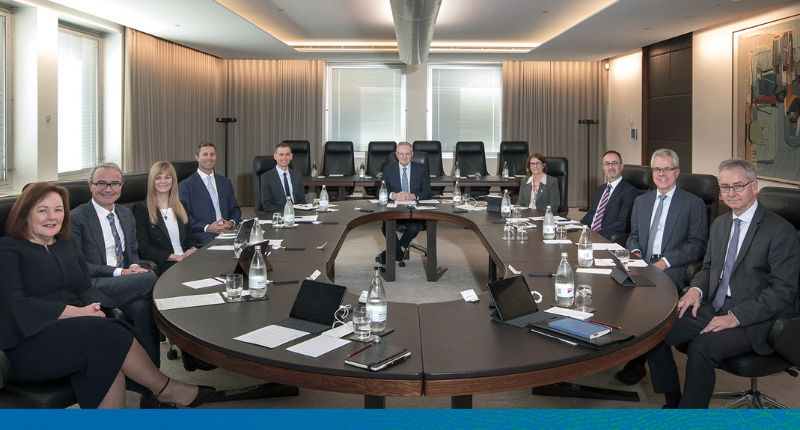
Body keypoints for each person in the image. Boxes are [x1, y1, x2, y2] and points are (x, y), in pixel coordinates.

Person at [0, 183, 215, 408]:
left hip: (77, 330)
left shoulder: (66, 245)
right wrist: (78, 313)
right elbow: (16, 305)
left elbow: (84, 288)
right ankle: (165, 388)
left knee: (107, 343)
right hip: (28, 342)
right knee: (106, 337)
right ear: (25, 214)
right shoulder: (8, 249)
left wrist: (99, 308)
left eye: (58, 209)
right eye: (42, 210)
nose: (52, 217)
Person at [646, 159, 799, 408]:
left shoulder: (780, 231)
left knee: (701, 347)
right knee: (655, 334)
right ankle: (673, 402)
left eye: (738, 186)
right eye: (725, 187)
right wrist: (696, 290)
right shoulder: (720, 224)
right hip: (715, 305)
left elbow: (783, 292)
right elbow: (708, 269)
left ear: (754, 186)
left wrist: (734, 317)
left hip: (756, 318)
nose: (731, 193)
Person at [616, 148, 708, 385]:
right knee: (612, 288)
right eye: (657, 169)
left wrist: (663, 262)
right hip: (642, 262)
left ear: (676, 172)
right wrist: (635, 253)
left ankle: (638, 362)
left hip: (673, 267)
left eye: (667, 169)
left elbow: (697, 246)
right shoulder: (641, 201)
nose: (661, 174)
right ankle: (619, 350)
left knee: (646, 302)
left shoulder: (693, 203)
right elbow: (633, 235)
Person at [70, 163, 161, 373]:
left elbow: (133, 253)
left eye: (114, 183)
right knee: (151, 279)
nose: (108, 188)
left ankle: (151, 381)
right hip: (93, 285)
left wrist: (135, 267)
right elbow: (79, 265)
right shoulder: (77, 218)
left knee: (142, 308)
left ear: (121, 186)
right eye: (101, 183)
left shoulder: (126, 214)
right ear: (90, 185)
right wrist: (121, 272)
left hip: (125, 283)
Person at [133, 161, 197, 274]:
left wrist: (192, 249)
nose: (163, 181)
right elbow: (145, 249)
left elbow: (190, 238)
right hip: (165, 264)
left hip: (187, 260)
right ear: (152, 181)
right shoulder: (141, 209)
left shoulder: (181, 205)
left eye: (167, 177)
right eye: (158, 178)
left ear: (173, 181)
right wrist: (177, 257)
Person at [376, 142, 432, 264]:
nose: (404, 157)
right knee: (387, 227)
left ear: (412, 155)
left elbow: (428, 192)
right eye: (401, 154)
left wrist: (414, 195)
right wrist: (394, 195)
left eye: (407, 154)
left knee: (414, 226)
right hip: (394, 209)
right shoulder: (388, 169)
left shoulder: (421, 169)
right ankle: (400, 252)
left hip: (414, 210)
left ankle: (393, 254)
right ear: (396, 155)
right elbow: (379, 192)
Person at [179, 142, 242, 246]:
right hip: (204, 234)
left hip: (228, 231)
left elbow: (235, 209)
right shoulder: (185, 185)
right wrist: (207, 227)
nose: (209, 158)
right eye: (205, 154)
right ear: (197, 157)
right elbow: (184, 216)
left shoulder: (225, 182)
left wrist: (231, 222)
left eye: (212, 154)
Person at [580, 150, 639, 241]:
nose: (610, 167)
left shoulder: (630, 192)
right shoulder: (600, 189)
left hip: (607, 239)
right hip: (589, 237)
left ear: (621, 166)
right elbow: (591, 214)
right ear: (603, 167)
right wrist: (579, 228)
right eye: (607, 164)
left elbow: (621, 224)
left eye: (614, 163)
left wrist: (593, 236)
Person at [260, 143, 307, 212]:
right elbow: (267, 205)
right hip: (278, 214)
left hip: (298, 214)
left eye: (287, 155)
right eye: (281, 154)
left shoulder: (297, 175)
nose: (284, 158)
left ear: (291, 156)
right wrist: (287, 211)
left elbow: (301, 200)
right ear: (275, 157)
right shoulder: (266, 177)